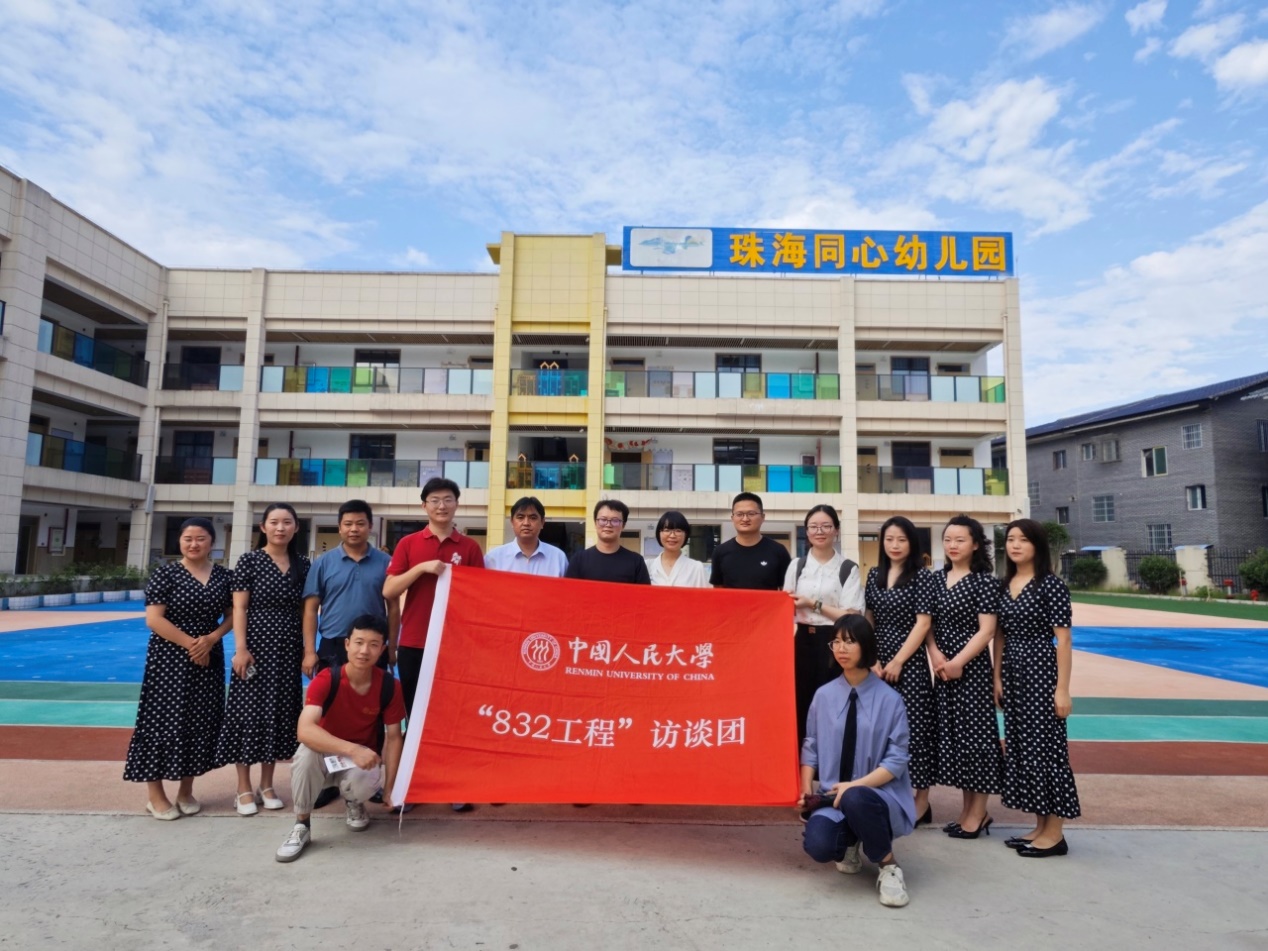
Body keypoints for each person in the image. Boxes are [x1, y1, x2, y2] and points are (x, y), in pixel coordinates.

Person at [800, 614, 916, 909]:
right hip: (833, 797)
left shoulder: (890, 700)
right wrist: (806, 788)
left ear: (866, 646)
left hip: (879, 796)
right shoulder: (823, 696)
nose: (841, 648)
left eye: (850, 641)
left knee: (856, 797)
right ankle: (850, 842)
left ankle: (888, 865)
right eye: (836, 641)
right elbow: (811, 744)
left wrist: (854, 786)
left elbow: (897, 760)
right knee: (819, 845)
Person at [383, 477, 484, 813]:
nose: (442, 506)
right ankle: (413, 786)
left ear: (457, 504)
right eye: (435, 500)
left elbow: (480, 596)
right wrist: (422, 568)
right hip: (414, 642)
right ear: (424, 505)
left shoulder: (469, 548)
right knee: (415, 716)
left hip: (454, 645)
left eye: (448, 499)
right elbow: (389, 590)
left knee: (453, 716)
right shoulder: (408, 544)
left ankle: (453, 784)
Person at [123, 517, 233, 820]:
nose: (194, 544)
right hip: (170, 657)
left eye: (200, 538)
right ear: (180, 542)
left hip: (209, 657)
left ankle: (186, 790)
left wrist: (210, 639)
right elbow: (154, 619)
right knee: (160, 722)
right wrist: (192, 645)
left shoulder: (224, 576)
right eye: (188, 539)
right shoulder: (166, 574)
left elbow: (233, 615)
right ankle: (155, 795)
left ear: (212, 542)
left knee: (200, 721)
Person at [275, 615, 406, 863]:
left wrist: (390, 788)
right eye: (359, 642)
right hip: (326, 757)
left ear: (382, 650)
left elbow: (394, 738)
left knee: (368, 775)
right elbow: (304, 730)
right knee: (306, 753)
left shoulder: (390, 686)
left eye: (373, 644)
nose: (364, 651)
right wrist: (353, 749)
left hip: (357, 763)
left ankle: (353, 802)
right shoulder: (327, 679)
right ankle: (302, 825)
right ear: (347, 644)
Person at [217, 503, 310, 816]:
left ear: (296, 527)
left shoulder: (302, 564)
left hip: (288, 650)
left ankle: (267, 784)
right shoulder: (250, 561)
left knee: (278, 714)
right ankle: (243, 787)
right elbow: (240, 608)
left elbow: (306, 610)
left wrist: (307, 649)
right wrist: (240, 648)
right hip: (255, 649)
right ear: (263, 527)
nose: (280, 528)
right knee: (247, 714)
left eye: (287, 522)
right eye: (274, 522)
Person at [996, 518, 1080, 858]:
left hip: (1041, 675)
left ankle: (1055, 834)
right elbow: (999, 636)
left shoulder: (1050, 586)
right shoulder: (1005, 585)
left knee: (1048, 750)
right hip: (1013, 675)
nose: (1015, 545)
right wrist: (997, 677)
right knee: (1024, 748)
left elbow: (1064, 640)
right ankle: (1040, 826)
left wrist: (1062, 689)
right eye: (1010, 539)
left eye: (1023, 540)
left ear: (1037, 546)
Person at [920, 514, 1003, 839]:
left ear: (976, 544)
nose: (952, 545)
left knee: (977, 740)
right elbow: (927, 624)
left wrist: (958, 662)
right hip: (943, 670)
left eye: (960, 540)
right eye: (948, 539)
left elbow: (987, 631)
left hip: (973, 672)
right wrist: (935, 654)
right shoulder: (936, 579)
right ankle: (968, 811)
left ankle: (978, 813)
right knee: (958, 740)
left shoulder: (984, 582)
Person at [864, 515, 937, 826]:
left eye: (902, 540)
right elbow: (868, 618)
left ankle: (921, 801)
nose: (894, 545)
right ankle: (886, 794)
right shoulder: (874, 575)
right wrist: (872, 658)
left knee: (915, 731)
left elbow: (923, 623)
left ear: (912, 543)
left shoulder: (922, 576)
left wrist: (898, 661)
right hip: (877, 666)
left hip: (910, 665)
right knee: (880, 732)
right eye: (889, 539)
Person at [784, 504, 865, 744]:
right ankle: (803, 761)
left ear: (836, 531)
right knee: (800, 702)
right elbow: (785, 606)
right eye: (813, 527)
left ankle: (833, 760)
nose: (819, 531)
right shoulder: (796, 566)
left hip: (835, 642)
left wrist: (813, 603)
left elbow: (851, 616)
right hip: (800, 642)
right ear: (807, 531)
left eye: (826, 526)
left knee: (834, 703)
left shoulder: (847, 568)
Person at [302, 499, 398, 675]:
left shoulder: (386, 562)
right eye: (348, 524)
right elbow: (310, 610)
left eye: (360, 524)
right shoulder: (323, 563)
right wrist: (309, 652)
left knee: (373, 692)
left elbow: (393, 608)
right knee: (332, 691)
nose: (354, 529)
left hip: (372, 644)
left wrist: (391, 647)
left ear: (370, 526)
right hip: (333, 644)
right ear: (340, 528)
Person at [710, 492, 791, 590]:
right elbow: (718, 589)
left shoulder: (779, 551)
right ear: (732, 518)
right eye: (739, 514)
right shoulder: (720, 552)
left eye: (751, 514)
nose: (745, 519)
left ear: (762, 517)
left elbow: (786, 590)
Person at [565, 499, 651, 584]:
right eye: (603, 520)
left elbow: (645, 592)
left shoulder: (636, 562)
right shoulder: (578, 560)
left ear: (623, 525)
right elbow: (568, 591)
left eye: (615, 521)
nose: (608, 524)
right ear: (595, 523)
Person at [484, 496, 568, 577]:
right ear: (512, 522)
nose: (526, 523)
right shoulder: (494, 558)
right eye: (520, 517)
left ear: (542, 522)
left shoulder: (558, 558)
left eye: (533, 518)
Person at [646, 510, 709, 587]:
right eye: (667, 530)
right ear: (659, 533)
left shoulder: (696, 568)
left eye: (678, 531)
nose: (672, 535)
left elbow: (703, 594)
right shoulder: (647, 566)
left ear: (686, 534)